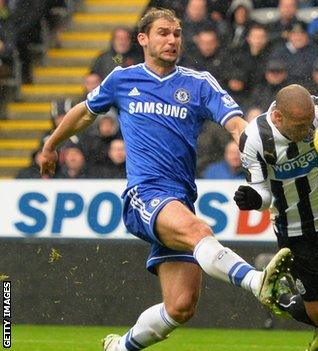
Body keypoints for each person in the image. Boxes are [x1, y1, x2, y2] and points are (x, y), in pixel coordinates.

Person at [38, 8, 291, 351]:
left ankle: (119, 347)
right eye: (163, 33)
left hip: (180, 200)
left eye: (176, 34)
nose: (172, 40)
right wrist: (52, 144)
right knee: (201, 232)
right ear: (143, 39)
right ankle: (256, 281)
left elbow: (235, 125)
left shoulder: (198, 84)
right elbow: (84, 112)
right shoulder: (122, 80)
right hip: (144, 194)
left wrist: (259, 149)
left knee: (181, 306)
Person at [233, 82, 318, 350]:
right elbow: (264, 196)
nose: (308, 131)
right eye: (300, 126)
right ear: (278, 117)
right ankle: (279, 295)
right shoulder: (254, 139)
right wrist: (253, 199)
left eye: (310, 124)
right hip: (296, 233)